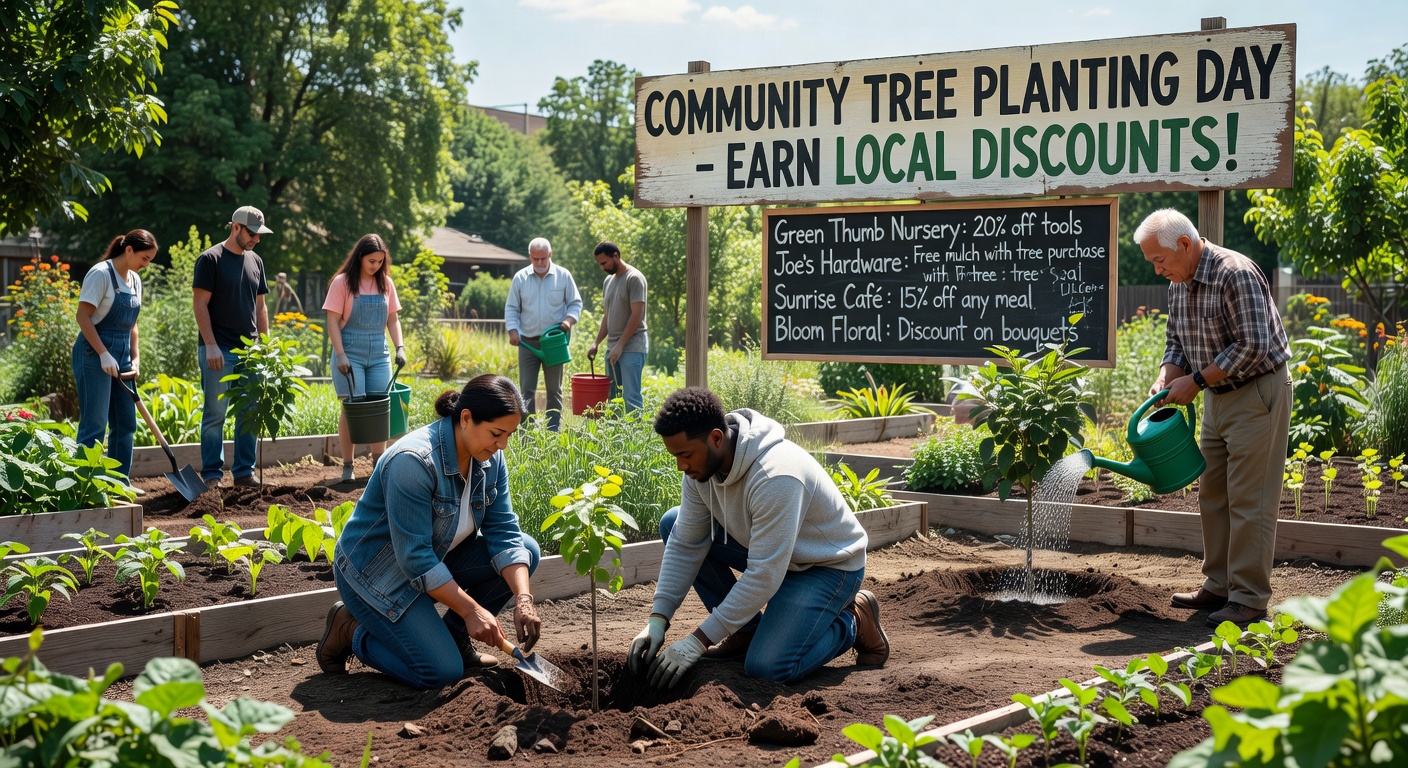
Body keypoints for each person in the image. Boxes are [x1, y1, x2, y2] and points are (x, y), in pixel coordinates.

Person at [628, 387, 889, 688]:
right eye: (675, 456)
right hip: (776, 555)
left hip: (826, 566)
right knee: (673, 523)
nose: (681, 467)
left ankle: (855, 622)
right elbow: (686, 543)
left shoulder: (776, 476)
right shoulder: (700, 472)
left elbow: (764, 575)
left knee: (768, 668)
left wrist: (698, 640)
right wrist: (657, 620)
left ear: (715, 438)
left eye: (685, 455)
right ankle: (745, 631)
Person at [318, 374, 543, 689]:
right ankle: (351, 631)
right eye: (496, 433)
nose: (502, 444)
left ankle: (453, 638)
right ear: (466, 418)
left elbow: (504, 530)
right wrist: (471, 610)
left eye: (509, 435)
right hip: (376, 576)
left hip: (431, 560)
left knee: (526, 550)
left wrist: (523, 598)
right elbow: (416, 559)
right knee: (441, 674)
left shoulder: (490, 458)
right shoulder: (413, 462)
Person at [1135, 208, 1291, 628]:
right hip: (1217, 397)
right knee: (1213, 494)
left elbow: (1254, 346)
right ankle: (1219, 585)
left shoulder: (1233, 273)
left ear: (1185, 245)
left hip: (1257, 391)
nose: (1157, 268)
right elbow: (1175, 343)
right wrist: (1167, 374)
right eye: (1152, 262)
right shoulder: (1179, 284)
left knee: (1249, 499)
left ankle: (1250, 598)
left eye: (1159, 259)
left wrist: (1197, 381)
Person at [193, 206, 271, 489]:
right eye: (252, 233)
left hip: (249, 351)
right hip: (218, 350)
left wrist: (265, 345)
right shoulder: (210, 260)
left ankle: (243, 473)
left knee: (249, 412)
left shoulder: (256, 261)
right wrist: (211, 345)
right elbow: (200, 304)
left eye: (259, 235)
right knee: (215, 413)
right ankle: (212, 476)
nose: (257, 240)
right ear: (236, 227)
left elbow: (260, 307)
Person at [72, 229, 157, 485]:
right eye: (144, 258)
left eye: (150, 260)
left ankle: (119, 484)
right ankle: (85, 487)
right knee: (95, 425)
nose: (146, 265)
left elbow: (133, 325)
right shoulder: (101, 274)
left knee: (126, 424)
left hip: (121, 355)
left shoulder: (134, 280)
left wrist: (135, 358)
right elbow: (82, 317)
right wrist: (103, 354)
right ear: (128, 250)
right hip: (93, 352)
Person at [322, 234, 406, 482]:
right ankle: (348, 465)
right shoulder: (342, 283)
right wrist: (340, 354)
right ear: (360, 257)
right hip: (349, 352)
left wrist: (399, 346)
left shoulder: (386, 284)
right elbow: (333, 321)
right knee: (351, 408)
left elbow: (393, 319)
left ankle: (378, 465)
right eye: (371, 261)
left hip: (379, 354)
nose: (376, 266)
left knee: (379, 410)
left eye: (380, 262)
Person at [504, 237, 581, 431]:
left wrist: (568, 321)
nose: (539, 263)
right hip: (527, 343)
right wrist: (512, 329)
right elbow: (512, 307)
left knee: (554, 390)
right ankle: (527, 432)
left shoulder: (563, 276)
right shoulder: (520, 278)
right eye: (535, 258)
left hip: (554, 343)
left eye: (543, 258)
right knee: (526, 391)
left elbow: (575, 303)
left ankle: (553, 431)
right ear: (530, 257)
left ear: (550, 255)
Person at [587, 241, 648, 413]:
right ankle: (616, 438)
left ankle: (636, 438)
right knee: (613, 398)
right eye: (600, 264)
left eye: (604, 263)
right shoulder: (608, 281)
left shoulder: (634, 278)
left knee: (631, 397)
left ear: (616, 256)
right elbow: (608, 315)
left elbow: (636, 315)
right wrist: (596, 343)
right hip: (612, 348)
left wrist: (620, 345)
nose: (602, 267)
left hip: (632, 347)